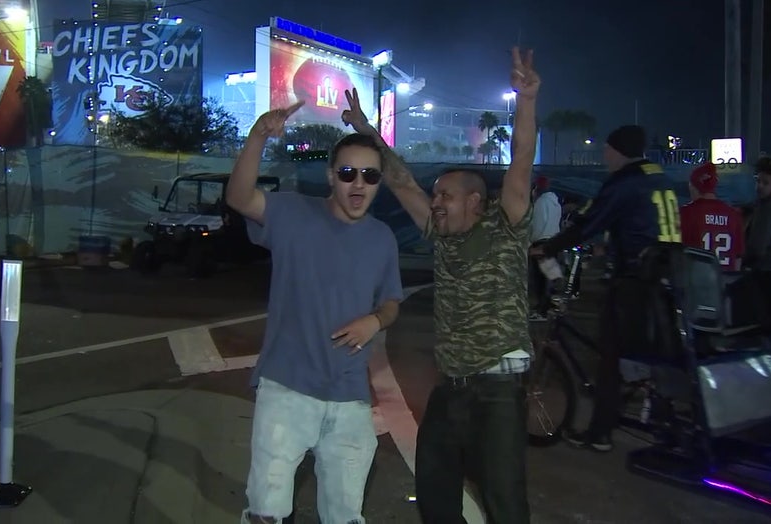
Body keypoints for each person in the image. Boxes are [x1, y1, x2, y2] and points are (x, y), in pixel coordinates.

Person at [342, 46, 539, 524]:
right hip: (450, 388)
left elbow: (522, 158)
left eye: (445, 196)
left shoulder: (505, 224)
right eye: (437, 196)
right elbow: (403, 182)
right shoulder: (439, 236)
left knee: (505, 502)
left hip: (498, 392)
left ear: (475, 201)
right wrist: (370, 135)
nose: (435, 203)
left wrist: (528, 101)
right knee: (434, 491)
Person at [226, 101, 404, 524]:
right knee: (267, 512)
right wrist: (257, 138)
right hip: (287, 390)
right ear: (331, 177)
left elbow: (392, 302)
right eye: (347, 174)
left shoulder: (382, 239)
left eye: (370, 175)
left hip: (350, 397)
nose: (358, 185)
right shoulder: (292, 213)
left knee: (344, 515)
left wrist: (375, 320)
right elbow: (239, 197)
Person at [535, 124, 680, 452]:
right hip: (665, 280)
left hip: (635, 282)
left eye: (607, 149)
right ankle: (662, 419)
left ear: (619, 151)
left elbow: (589, 222)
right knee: (656, 356)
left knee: (610, 360)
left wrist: (548, 247)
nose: (604, 154)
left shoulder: (625, 181)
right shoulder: (661, 179)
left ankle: (600, 434)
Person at [679, 162, 745, 271]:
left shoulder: (685, 213)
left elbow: (678, 254)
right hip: (725, 282)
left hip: (696, 282)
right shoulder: (734, 215)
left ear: (694, 186)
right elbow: (737, 258)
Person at [529, 175, 561, 320]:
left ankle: (541, 311)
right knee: (549, 276)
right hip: (553, 241)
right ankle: (547, 308)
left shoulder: (541, 202)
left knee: (540, 278)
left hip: (541, 243)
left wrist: (531, 242)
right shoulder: (556, 203)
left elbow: (537, 223)